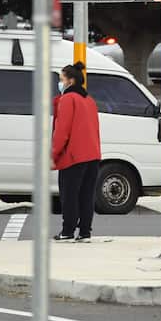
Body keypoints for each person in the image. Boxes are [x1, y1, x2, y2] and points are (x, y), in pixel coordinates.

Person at [52, 62, 102, 241]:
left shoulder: (67, 99)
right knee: (86, 195)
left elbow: (62, 131)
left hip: (73, 156)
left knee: (69, 195)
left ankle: (67, 231)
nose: (60, 83)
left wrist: (54, 154)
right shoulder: (89, 100)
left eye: (61, 79)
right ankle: (85, 232)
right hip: (93, 155)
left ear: (70, 81)